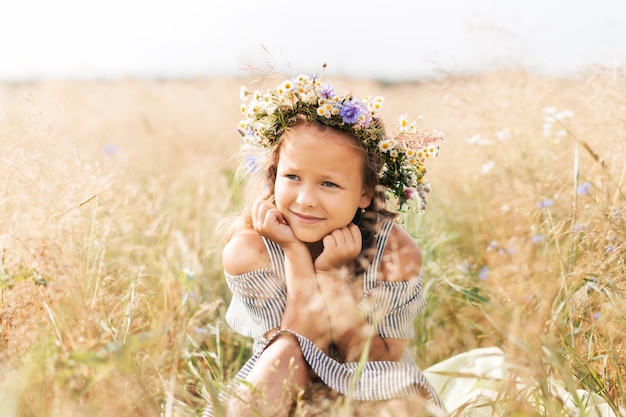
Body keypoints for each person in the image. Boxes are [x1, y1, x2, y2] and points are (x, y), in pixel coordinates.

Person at [204, 71, 445, 417]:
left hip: (372, 385)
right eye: (293, 177)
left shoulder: (394, 255)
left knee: (400, 399)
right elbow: (301, 343)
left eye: (329, 184)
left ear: (365, 193)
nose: (305, 200)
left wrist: (333, 280)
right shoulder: (251, 251)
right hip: (290, 390)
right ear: (273, 177)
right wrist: (295, 254)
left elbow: (375, 362)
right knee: (285, 352)